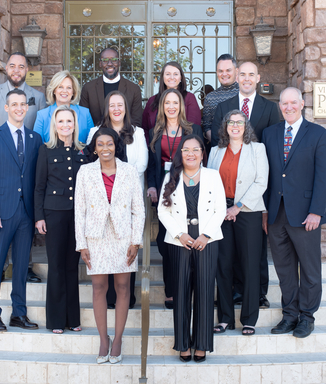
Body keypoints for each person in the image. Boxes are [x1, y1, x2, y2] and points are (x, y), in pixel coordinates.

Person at [262, 87, 326, 338]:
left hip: (305, 215)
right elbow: (267, 177)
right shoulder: (269, 134)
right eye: (284, 103)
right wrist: (264, 212)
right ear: (279, 106)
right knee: (284, 270)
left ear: (302, 104)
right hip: (276, 214)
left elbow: (324, 177)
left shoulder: (319, 135)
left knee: (310, 269)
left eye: (293, 102)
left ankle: (307, 317)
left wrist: (316, 211)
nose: (289, 107)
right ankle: (289, 315)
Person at [211, 61, 280, 309]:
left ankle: (258, 292)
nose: (247, 78)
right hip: (227, 191)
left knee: (255, 249)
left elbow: (273, 154)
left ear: (258, 78)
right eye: (243, 74)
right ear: (236, 77)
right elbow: (216, 146)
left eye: (252, 75)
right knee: (229, 252)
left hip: (256, 193)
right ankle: (234, 292)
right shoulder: (223, 108)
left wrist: (264, 200)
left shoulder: (270, 109)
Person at [75, 128, 145, 364]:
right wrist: (81, 243)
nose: (105, 148)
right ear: (94, 148)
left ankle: (118, 340)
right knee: (98, 287)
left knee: (123, 287)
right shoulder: (85, 172)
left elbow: (139, 209)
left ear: (117, 146)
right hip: (95, 236)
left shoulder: (129, 171)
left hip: (123, 236)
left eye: (110, 144)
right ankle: (103, 339)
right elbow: (79, 211)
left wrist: (136, 241)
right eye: (100, 144)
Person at [0, 51, 46, 283]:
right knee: (2, 223)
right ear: (6, 68)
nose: (17, 70)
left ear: (27, 70)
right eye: (12, 66)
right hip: (1, 166)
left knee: (24, 222)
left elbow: (41, 132)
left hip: (27, 168)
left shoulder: (37, 96)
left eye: (21, 66)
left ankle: (23, 268)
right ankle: (2, 267)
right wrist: (0, 149)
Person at [0, 88, 42, 332]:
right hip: (0, 214)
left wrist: (37, 213)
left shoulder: (35, 139)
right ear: (6, 108)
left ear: (27, 108)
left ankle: (19, 313)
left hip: (25, 213)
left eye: (23, 104)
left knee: (21, 267)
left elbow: (36, 178)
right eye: (14, 104)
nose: (19, 108)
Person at [158, 135, 226, 363]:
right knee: (181, 294)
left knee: (205, 293)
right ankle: (183, 345)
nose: (190, 154)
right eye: (186, 150)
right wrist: (180, 234)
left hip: (207, 240)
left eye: (195, 150)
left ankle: (202, 345)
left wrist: (206, 235)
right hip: (180, 241)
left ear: (202, 153)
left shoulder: (212, 176)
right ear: (180, 153)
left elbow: (220, 209)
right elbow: (162, 211)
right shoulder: (171, 176)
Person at [208, 110, 269, 336]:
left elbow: (261, 182)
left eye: (239, 122)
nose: (235, 126)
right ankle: (225, 318)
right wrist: (222, 208)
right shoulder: (215, 151)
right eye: (231, 122)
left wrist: (238, 206)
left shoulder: (257, 149)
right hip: (221, 213)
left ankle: (249, 318)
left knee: (249, 265)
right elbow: (210, 183)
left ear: (246, 126)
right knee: (223, 265)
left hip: (249, 212)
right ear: (225, 126)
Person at [86, 90, 148, 310]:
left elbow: (141, 164)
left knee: (125, 251)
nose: (116, 109)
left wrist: (122, 175)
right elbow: (91, 160)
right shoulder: (96, 131)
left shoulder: (138, 133)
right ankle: (109, 300)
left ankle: (125, 298)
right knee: (104, 253)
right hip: (102, 203)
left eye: (120, 105)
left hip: (126, 201)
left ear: (126, 108)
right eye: (112, 105)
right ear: (107, 108)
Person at [147, 88, 203, 309]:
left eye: (175, 102)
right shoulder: (154, 131)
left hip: (188, 190)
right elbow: (152, 164)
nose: (171, 106)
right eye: (167, 103)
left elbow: (200, 160)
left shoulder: (193, 129)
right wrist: (151, 185)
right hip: (164, 191)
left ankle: (188, 288)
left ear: (181, 105)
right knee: (165, 241)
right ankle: (171, 291)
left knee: (187, 239)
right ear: (162, 106)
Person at [34, 106, 89, 334]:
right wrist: (39, 217)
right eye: (61, 121)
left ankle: (72, 318)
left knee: (71, 266)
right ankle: (56, 320)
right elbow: (39, 187)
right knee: (56, 266)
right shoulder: (46, 151)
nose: (65, 125)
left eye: (69, 121)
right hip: (54, 214)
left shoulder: (83, 152)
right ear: (54, 125)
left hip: (76, 215)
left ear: (75, 125)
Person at [80, 47, 142, 127]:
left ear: (119, 63)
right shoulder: (88, 88)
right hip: (96, 137)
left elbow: (136, 122)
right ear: (100, 64)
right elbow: (84, 121)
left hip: (125, 137)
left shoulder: (133, 89)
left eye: (114, 59)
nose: (109, 63)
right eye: (105, 60)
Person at [142, 61, 201, 141]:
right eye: (168, 74)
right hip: (156, 150)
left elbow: (194, 128)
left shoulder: (189, 98)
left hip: (183, 149)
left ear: (181, 78)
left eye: (176, 74)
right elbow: (145, 129)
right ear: (163, 77)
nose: (172, 77)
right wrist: (151, 147)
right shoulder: (152, 101)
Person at [33, 70, 94, 144]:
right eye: (60, 87)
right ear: (54, 90)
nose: (64, 91)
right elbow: (37, 145)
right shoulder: (42, 115)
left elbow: (91, 143)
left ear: (73, 92)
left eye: (69, 88)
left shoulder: (85, 113)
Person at [201, 54, 239, 143]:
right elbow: (207, 127)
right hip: (219, 148)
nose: (224, 74)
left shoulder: (244, 94)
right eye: (220, 71)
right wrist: (219, 148)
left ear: (236, 71)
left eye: (228, 70)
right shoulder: (210, 98)